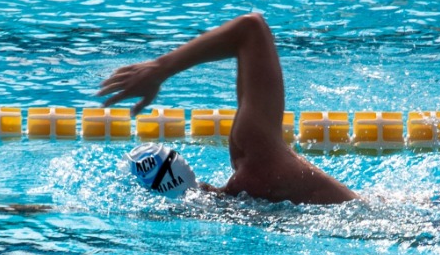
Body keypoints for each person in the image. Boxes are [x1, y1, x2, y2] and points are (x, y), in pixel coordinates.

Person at [98, 13, 356, 205]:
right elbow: (251, 29)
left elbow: (252, 28)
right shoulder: (255, 157)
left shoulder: (238, 201)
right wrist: (160, 68)